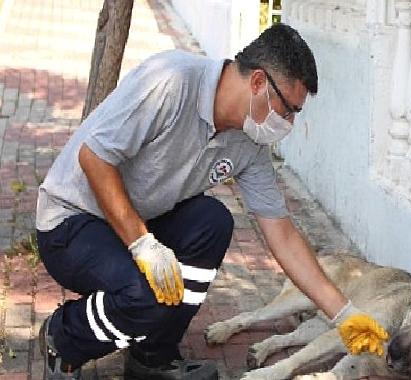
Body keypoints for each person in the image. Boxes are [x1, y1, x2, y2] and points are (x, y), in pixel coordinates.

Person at [35, 24, 389, 380]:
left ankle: (152, 355)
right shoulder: (171, 81)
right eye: (287, 110)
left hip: (138, 218)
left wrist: (342, 313)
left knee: (212, 221)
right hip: (72, 221)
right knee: (146, 297)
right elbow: (94, 158)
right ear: (258, 83)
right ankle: (64, 337)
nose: (290, 123)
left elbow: (281, 232)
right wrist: (143, 244)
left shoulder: (249, 143)